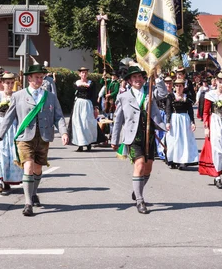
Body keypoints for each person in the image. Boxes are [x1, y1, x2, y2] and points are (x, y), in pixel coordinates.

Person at [0, 64, 69, 217]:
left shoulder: (50, 97)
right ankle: (28, 203)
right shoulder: (18, 96)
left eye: (41, 77)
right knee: (28, 166)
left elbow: (58, 116)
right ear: (29, 78)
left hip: (43, 137)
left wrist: (64, 132)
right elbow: (8, 118)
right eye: (37, 77)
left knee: (37, 169)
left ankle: (33, 193)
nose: (40, 80)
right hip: (25, 137)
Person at [111, 66, 167, 214]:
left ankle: (137, 190)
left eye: (140, 77)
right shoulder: (123, 97)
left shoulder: (150, 91)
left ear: (143, 79)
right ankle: (140, 201)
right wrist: (114, 138)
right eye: (134, 77)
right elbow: (118, 119)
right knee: (140, 165)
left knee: (148, 168)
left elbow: (163, 93)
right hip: (133, 136)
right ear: (129, 81)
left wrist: (158, 76)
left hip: (148, 135)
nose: (137, 79)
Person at [0, 73, 22, 193]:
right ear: (2, 83)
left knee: (11, 155)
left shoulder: (17, 96)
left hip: (13, 128)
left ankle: (7, 180)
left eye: (12, 83)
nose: (10, 85)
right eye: (7, 83)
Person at [165, 78, 198, 170]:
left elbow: (190, 110)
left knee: (184, 140)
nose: (178, 88)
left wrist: (192, 122)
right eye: (177, 86)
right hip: (174, 119)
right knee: (173, 140)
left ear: (183, 87)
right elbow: (168, 109)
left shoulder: (186, 97)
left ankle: (182, 161)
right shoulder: (171, 96)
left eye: (180, 86)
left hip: (184, 120)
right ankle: (172, 160)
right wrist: (167, 122)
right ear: (174, 87)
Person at [68, 67, 98, 152]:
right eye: (82, 73)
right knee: (78, 124)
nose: (84, 74)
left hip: (87, 104)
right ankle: (80, 144)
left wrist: (95, 107)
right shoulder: (76, 83)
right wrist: (83, 86)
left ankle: (88, 143)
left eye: (85, 73)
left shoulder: (91, 83)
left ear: (87, 74)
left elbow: (93, 95)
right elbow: (77, 90)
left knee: (86, 123)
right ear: (79, 74)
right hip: (78, 104)